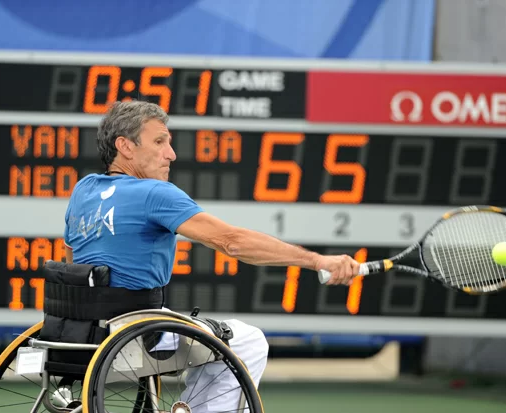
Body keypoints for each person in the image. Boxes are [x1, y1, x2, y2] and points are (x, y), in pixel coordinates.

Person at [63, 100, 360, 412]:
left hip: (79, 332)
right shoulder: (154, 193)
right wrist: (317, 261)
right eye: (160, 141)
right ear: (125, 146)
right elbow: (232, 242)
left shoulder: (84, 189)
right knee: (248, 341)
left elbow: (72, 257)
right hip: (139, 335)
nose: (171, 154)